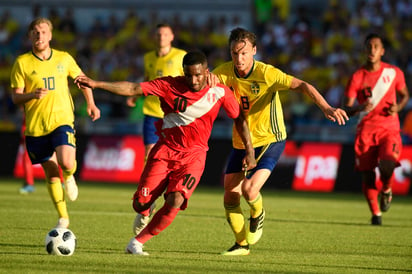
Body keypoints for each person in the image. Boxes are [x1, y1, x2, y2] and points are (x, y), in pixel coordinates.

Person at [75, 51, 257, 255]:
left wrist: (249, 151)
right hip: (165, 151)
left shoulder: (220, 92)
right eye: (189, 75)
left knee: (176, 199)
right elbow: (134, 88)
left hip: (194, 157)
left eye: (198, 75)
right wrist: (97, 84)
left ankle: (137, 242)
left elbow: (239, 119)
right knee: (139, 203)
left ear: (206, 72)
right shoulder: (168, 85)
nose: (193, 80)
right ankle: (146, 208)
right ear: (183, 72)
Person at [212, 27, 348, 255]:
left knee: (248, 189)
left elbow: (303, 85)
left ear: (254, 51)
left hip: (270, 138)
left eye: (244, 53)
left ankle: (258, 213)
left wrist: (326, 107)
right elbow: (200, 85)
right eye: (234, 53)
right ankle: (241, 245)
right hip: (240, 140)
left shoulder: (267, 74)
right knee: (229, 195)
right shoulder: (223, 73)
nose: (239, 58)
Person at [10, 17, 101, 228]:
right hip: (35, 126)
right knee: (51, 171)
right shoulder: (22, 62)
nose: (39, 35)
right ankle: (63, 217)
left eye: (43, 32)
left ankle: (69, 176)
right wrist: (32, 95)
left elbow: (83, 80)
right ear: (30, 36)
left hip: (62, 120)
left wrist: (91, 104)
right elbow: (16, 97)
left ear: (50, 35)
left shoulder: (64, 58)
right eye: (35, 32)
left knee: (66, 162)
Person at [343, 33, 409, 226]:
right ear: (365, 50)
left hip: (389, 129)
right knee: (368, 175)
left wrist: (398, 107)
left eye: (375, 47)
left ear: (382, 51)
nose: (372, 50)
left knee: (387, 164)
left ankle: (387, 189)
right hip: (365, 131)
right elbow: (346, 108)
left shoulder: (394, 73)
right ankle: (376, 214)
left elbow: (404, 95)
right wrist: (359, 108)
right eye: (369, 46)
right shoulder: (357, 77)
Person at [126, 23, 186, 235]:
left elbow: (190, 82)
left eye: (165, 34)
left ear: (172, 36)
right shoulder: (148, 58)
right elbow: (147, 80)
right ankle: (147, 201)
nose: (161, 37)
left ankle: (165, 192)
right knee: (150, 156)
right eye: (159, 33)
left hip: (173, 116)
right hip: (152, 112)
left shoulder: (181, 56)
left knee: (171, 158)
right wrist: (135, 94)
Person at [19, 115, 35, 194]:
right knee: (27, 157)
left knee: (54, 154)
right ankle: (29, 183)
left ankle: (62, 181)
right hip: (30, 129)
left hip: (46, 126)